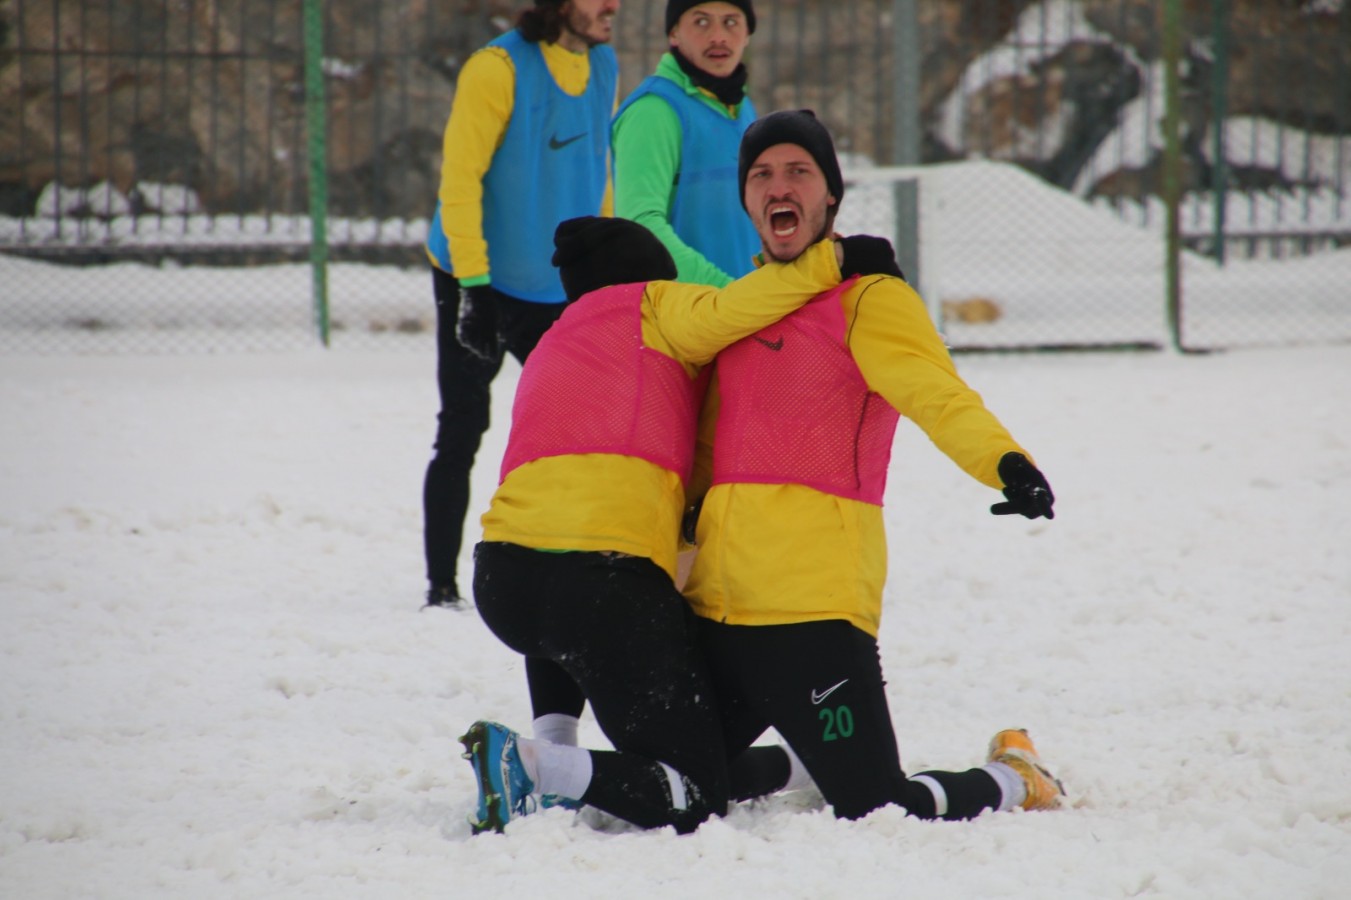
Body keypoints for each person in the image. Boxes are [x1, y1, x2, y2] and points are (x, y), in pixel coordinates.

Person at [459, 216, 903, 834]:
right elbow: (744, 305)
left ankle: (553, 749)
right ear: (655, 278)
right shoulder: (658, 305)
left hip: (501, 580)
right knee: (692, 790)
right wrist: (836, 262)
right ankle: (538, 769)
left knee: (559, 584)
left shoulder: (553, 343)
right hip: (600, 585)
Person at [683, 109, 1067, 822]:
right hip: (717, 602)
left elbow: (936, 393)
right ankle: (805, 760)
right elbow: (704, 448)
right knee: (685, 781)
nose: (779, 186)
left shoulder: (868, 299)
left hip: (813, 606)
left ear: (829, 196)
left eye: (799, 171)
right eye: (762, 175)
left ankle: (1014, 778)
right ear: (744, 199)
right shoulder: (740, 309)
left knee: (873, 804)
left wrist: (1005, 462)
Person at [421, 0, 620, 751]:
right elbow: (460, 180)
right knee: (463, 426)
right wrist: (472, 287)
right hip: (475, 275)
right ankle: (440, 585)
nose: (613, 7)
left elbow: (597, 171)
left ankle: (578, 553)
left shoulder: (602, 63)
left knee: (577, 431)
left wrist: (598, 270)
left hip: (552, 289)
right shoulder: (495, 68)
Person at [611, 1, 759, 286]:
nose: (718, 36)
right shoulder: (653, 111)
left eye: (731, 22)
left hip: (747, 310)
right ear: (674, 33)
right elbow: (640, 225)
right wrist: (724, 292)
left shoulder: (741, 107)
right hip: (691, 314)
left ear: (748, 34)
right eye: (701, 22)